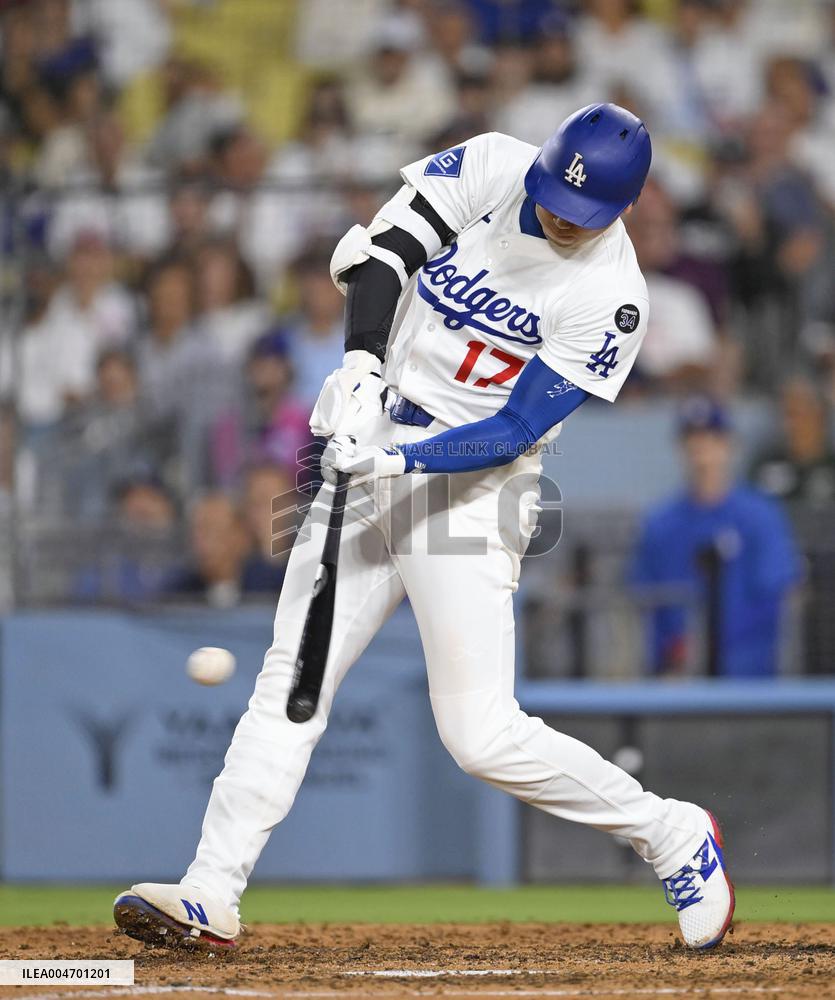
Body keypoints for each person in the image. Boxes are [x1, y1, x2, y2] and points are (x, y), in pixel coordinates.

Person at [114, 104, 735, 951]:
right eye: (554, 194)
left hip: (476, 489)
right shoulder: (490, 164)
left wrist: (399, 464)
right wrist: (361, 365)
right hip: (370, 440)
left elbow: (515, 430)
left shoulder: (611, 296)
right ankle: (210, 891)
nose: (559, 216)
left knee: (479, 735)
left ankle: (670, 833)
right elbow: (385, 255)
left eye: (582, 212)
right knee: (292, 681)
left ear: (624, 210)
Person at [630, 396, 801, 678]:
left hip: (751, 676)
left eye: (712, 438)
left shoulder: (760, 516)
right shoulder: (660, 523)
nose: (702, 449)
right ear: (680, 447)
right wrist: (674, 654)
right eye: (693, 439)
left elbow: (777, 598)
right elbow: (646, 601)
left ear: (729, 445)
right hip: (674, 680)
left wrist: (715, 648)